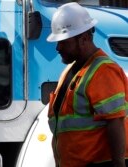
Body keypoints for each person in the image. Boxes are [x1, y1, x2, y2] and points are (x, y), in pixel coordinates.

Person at [46, 2, 128, 167]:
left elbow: (116, 122)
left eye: (63, 42)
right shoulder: (71, 70)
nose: (57, 47)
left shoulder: (103, 71)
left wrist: (118, 164)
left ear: (83, 39)